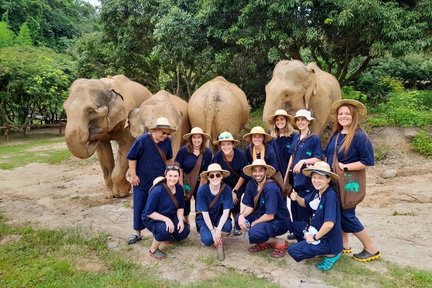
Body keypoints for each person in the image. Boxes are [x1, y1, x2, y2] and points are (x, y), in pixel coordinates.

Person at [324, 99, 380, 262]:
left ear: (354, 116)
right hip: (334, 181)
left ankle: (371, 248)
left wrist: (345, 166)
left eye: (347, 113)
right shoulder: (335, 134)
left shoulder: (360, 136)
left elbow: (367, 161)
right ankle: (344, 244)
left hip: (349, 182)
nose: (343, 116)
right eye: (340, 114)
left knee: (347, 215)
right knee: (342, 213)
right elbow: (328, 154)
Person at [126, 117, 175, 245]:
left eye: (167, 133)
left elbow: (169, 160)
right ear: (156, 130)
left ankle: (159, 233)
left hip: (159, 181)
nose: (165, 136)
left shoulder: (167, 142)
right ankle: (137, 232)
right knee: (139, 205)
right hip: (141, 180)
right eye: (163, 133)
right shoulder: (142, 140)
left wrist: (170, 176)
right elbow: (132, 158)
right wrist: (133, 175)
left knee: (159, 207)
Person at [288, 161, 343, 271]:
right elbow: (304, 202)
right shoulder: (317, 191)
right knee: (292, 225)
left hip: (326, 239)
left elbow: (329, 224)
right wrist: (297, 197)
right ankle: (311, 246)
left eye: (321, 178)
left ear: (328, 179)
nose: (316, 181)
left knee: (293, 250)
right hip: (314, 230)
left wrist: (314, 237)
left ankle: (331, 255)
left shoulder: (330, 196)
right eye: (314, 177)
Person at [238, 159, 292, 258]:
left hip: (279, 221)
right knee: (240, 221)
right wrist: (241, 216)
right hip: (263, 216)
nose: (257, 174)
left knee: (253, 233)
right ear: (252, 172)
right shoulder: (251, 184)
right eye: (255, 171)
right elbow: (249, 206)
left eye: (261, 170)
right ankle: (265, 240)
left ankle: (279, 242)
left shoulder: (270, 187)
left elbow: (270, 215)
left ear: (266, 172)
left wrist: (254, 223)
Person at [143, 165, 190, 260]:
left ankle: (167, 236)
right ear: (165, 175)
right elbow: (149, 212)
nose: (173, 178)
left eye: (175, 176)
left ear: (179, 176)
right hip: (153, 218)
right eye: (170, 175)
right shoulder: (157, 191)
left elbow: (180, 207)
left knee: (183, 232)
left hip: (170, 215)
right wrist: (166, 219)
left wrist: (180, 220)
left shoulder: (179, 188)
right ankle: (153, 249)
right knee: (164, 230)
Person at [286, 109, 322, 224]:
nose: (300, 122)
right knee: (294, 211)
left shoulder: (314, 139)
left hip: (307, 182)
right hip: (295, 182)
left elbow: (318, 158)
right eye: (298, 120)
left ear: (308, 122)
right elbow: (292, 154)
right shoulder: (295, 137)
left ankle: (305, 237)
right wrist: (287, 174)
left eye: (303, 120)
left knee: (305, 212)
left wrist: (303, 161)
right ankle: (298, 236)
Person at [212, 131, 249, 236]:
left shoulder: (241, 155)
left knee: (235, 201)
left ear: (233, 144)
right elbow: (216, 172)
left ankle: (237, 226)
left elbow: (243, 174)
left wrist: (235, 190)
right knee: (225, 202)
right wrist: (227, 190)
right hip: (224, 183)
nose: (226, 147)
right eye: (223, 144)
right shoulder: (218, 156)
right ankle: (225, 223)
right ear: (220, 146)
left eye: (228, 144)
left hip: (239, 182)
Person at [196, 163, 234, 260]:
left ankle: (218, 235)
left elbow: (226, 212)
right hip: (204, 219)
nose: (215, 178)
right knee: (208, 240)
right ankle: (208, 233)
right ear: (208, 177)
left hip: (219, 216)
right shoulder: (202, 191)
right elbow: (205, 213)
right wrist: (213, 232)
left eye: (217, 175)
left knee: (227, 227)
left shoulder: (227, 189)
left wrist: (218, 230)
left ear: (221, 176)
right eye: (212, 175)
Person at [175, 127, 212, 223]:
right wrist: (181, 185)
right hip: (186, 181)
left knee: (200, 201)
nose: (196, 140)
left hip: (201, 181)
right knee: (184, 200)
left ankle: (199, 222)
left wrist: (201, 188)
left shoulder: (207, 152)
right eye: (194, 137)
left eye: (199, 137)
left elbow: (206, 172)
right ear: (191, 139)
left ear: (202, 139)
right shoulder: (183, 151)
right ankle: (185, 220)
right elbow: (179, 168)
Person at [268, 109, 296, 178]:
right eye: (277, 120)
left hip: (289, 172)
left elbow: (294, 154)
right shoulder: (271, 136)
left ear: (286, 121)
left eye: (282, 119)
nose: (279, 122)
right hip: (275, 173)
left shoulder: (293, 136)